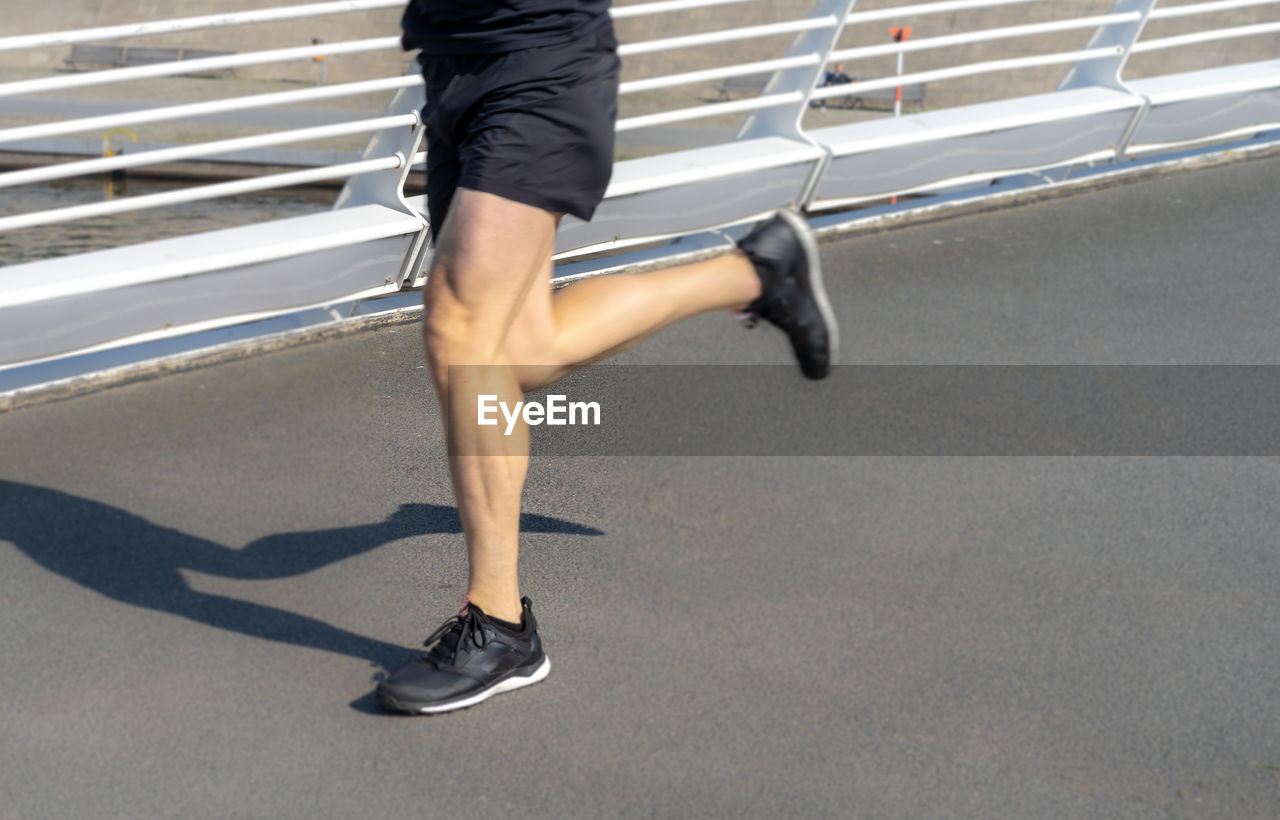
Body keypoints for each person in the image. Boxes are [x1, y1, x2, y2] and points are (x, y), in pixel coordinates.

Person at [375, 0, 838, 715]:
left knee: (460, 329)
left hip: (542, 63)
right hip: (453, 57)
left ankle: (499, 626)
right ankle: (756, 273)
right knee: (520, 349)